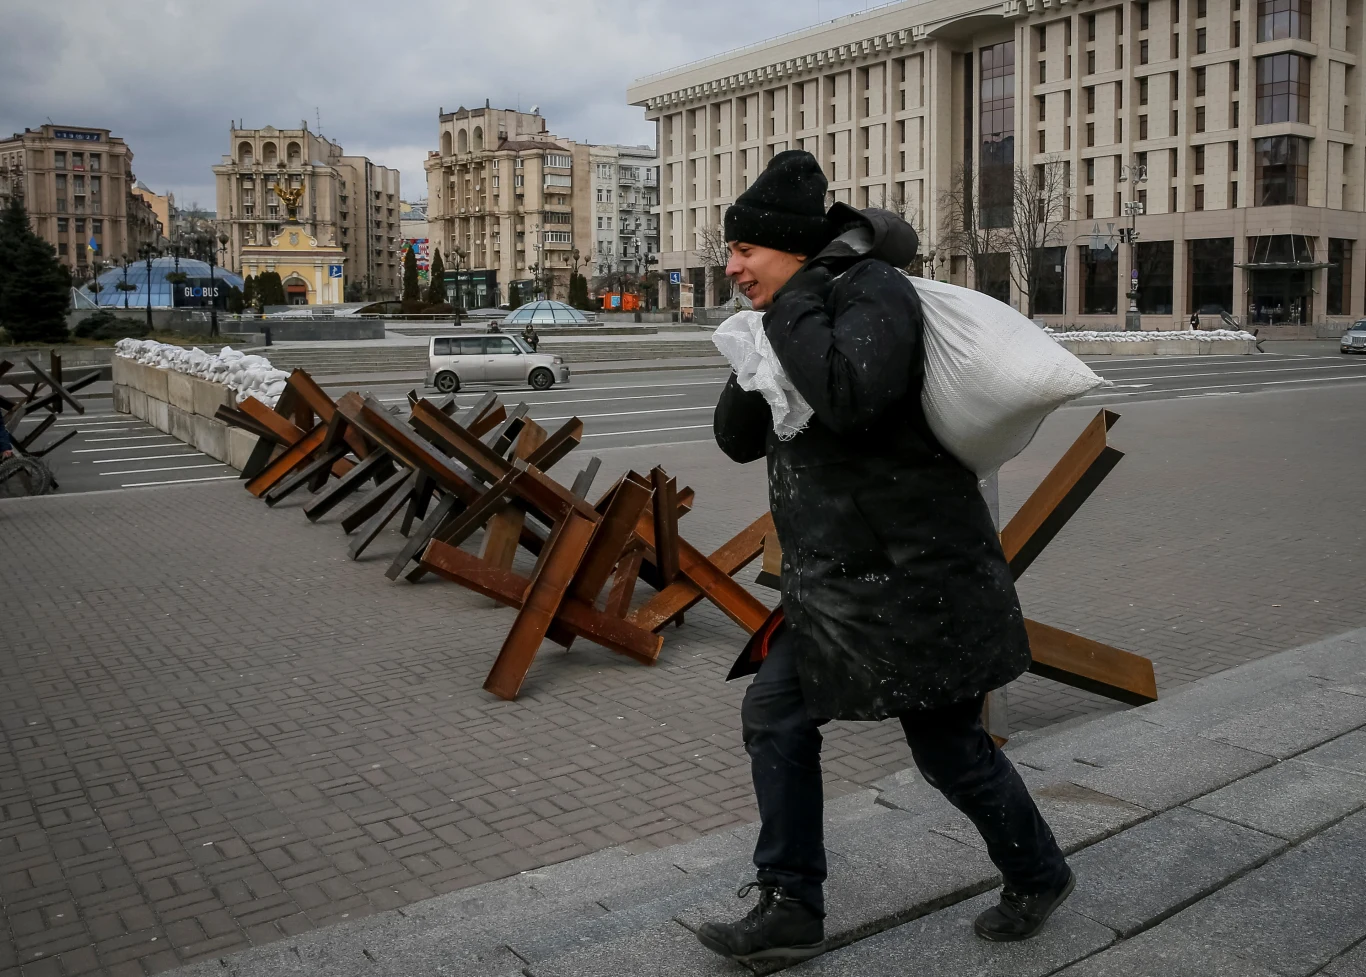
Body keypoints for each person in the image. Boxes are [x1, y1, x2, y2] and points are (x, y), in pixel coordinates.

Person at [698, 150, 1072, 965]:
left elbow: (856, 398)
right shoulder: (787, 311)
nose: (731, 267)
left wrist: (789, 306)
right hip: (831, 588)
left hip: (913, 581)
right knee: (775, 714)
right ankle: (790, 900)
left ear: (790, 249)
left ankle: (1038, 873)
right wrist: (753, 354)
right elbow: (735, 441)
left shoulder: (873, 291)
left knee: (949, 752)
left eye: (745, 252)